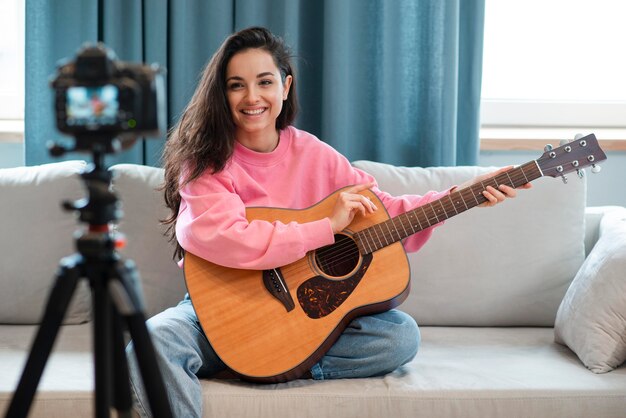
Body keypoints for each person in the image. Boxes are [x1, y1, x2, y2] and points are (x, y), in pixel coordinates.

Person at [126, 26, 529, 417]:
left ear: (285, 87)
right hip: (219, 310)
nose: (252, 97)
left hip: (301, 323)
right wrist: (323, 228)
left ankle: (266, 364)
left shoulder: (314, 154)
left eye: (265, 82)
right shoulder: (207, 160)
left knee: (398, 336)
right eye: (236, 85)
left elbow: (382, 210)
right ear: (222, 93)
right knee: (153, 342)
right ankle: (252, 361)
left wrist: (463, 196)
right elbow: (218, 234)